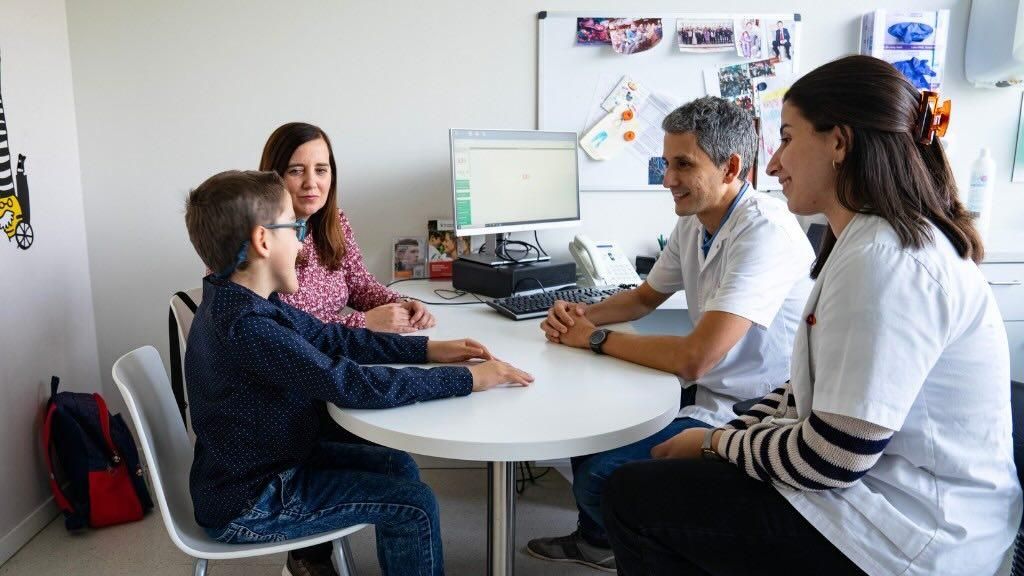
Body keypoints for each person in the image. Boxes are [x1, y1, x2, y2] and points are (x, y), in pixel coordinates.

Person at [601, 55, 1022, 576]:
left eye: (787, 138)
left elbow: (833, 459)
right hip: (870, 487)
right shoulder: (865, 241)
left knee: (631, 495)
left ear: (839, 143)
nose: (774, 164)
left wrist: (715, 443)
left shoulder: (886, 261)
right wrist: (733, 431)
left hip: (909, 533)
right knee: (657, 478)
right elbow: (807, 394)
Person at [183, 170, 533, 576]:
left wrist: (429, 349)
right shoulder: (248, 327)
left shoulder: (244, 299)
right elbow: (349, 384)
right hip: (255, 499)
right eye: (296, 227)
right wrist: (470, 380)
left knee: (398, 466)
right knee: (414, 507)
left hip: (263, 467)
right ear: (263, 241)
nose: (302, 241)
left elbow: (332, 338)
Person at [526, 96, 815, 572]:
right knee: (586, 422)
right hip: (709, 387)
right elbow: (642, 299)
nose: (667, 179)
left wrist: (593, 339)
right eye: (665, 163)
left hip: (756, 408)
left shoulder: (764, 232)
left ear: (732, 167)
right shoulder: (695, 221)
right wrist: (582, 316)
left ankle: (644, 544)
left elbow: (694, 359)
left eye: (683, 165)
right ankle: (599, 540)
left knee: (601, 477)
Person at [261, 122, 433, 334]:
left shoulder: (336, 221)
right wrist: (363, 322)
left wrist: (401, 303)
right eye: (296, 171)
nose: (311, 183)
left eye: (321, 170)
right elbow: (279, 330)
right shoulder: (255, 237)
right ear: (273, 176)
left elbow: (359, 285)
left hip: (343, 350)